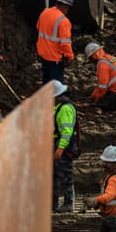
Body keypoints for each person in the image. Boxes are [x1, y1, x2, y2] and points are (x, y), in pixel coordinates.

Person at [36, 0, 75, 84]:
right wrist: (70, 57)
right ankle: (55, 98)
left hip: (43, 54)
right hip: (54, 58)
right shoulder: (64, 21)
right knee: (56, 86)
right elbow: (65, 43)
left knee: (46, 81)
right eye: (68, 8)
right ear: (65, 6)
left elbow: (38, 27)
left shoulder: (44, 12)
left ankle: (45, 97)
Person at [52, 81, 79, 212]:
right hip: (56, 145)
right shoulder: (58, 107)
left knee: (66, 176)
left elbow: (67, 132)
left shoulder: (65, 109)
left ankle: (68, 203)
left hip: (64, 147)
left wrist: (60, 149)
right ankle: (53, 204)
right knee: (54, 176)